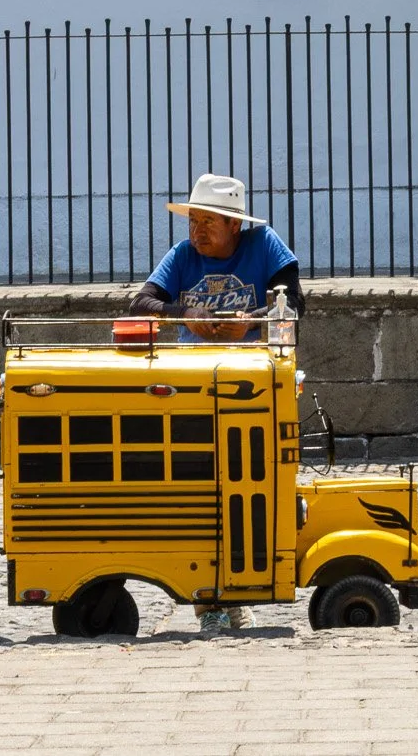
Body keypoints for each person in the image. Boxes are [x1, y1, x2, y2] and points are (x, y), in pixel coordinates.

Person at [127, 171, 300, 635]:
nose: (197, 232)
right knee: (200, 494)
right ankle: (211, 604)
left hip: (257, 389)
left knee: (255, 489)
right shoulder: (183, 256)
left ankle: (244, 588)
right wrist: (185, 313)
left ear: (235, 226)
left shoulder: (265, 245)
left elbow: (295, 303)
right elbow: (139, 303)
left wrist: (254, 322)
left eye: (208, 222)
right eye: (193, 221)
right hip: (193, 392)